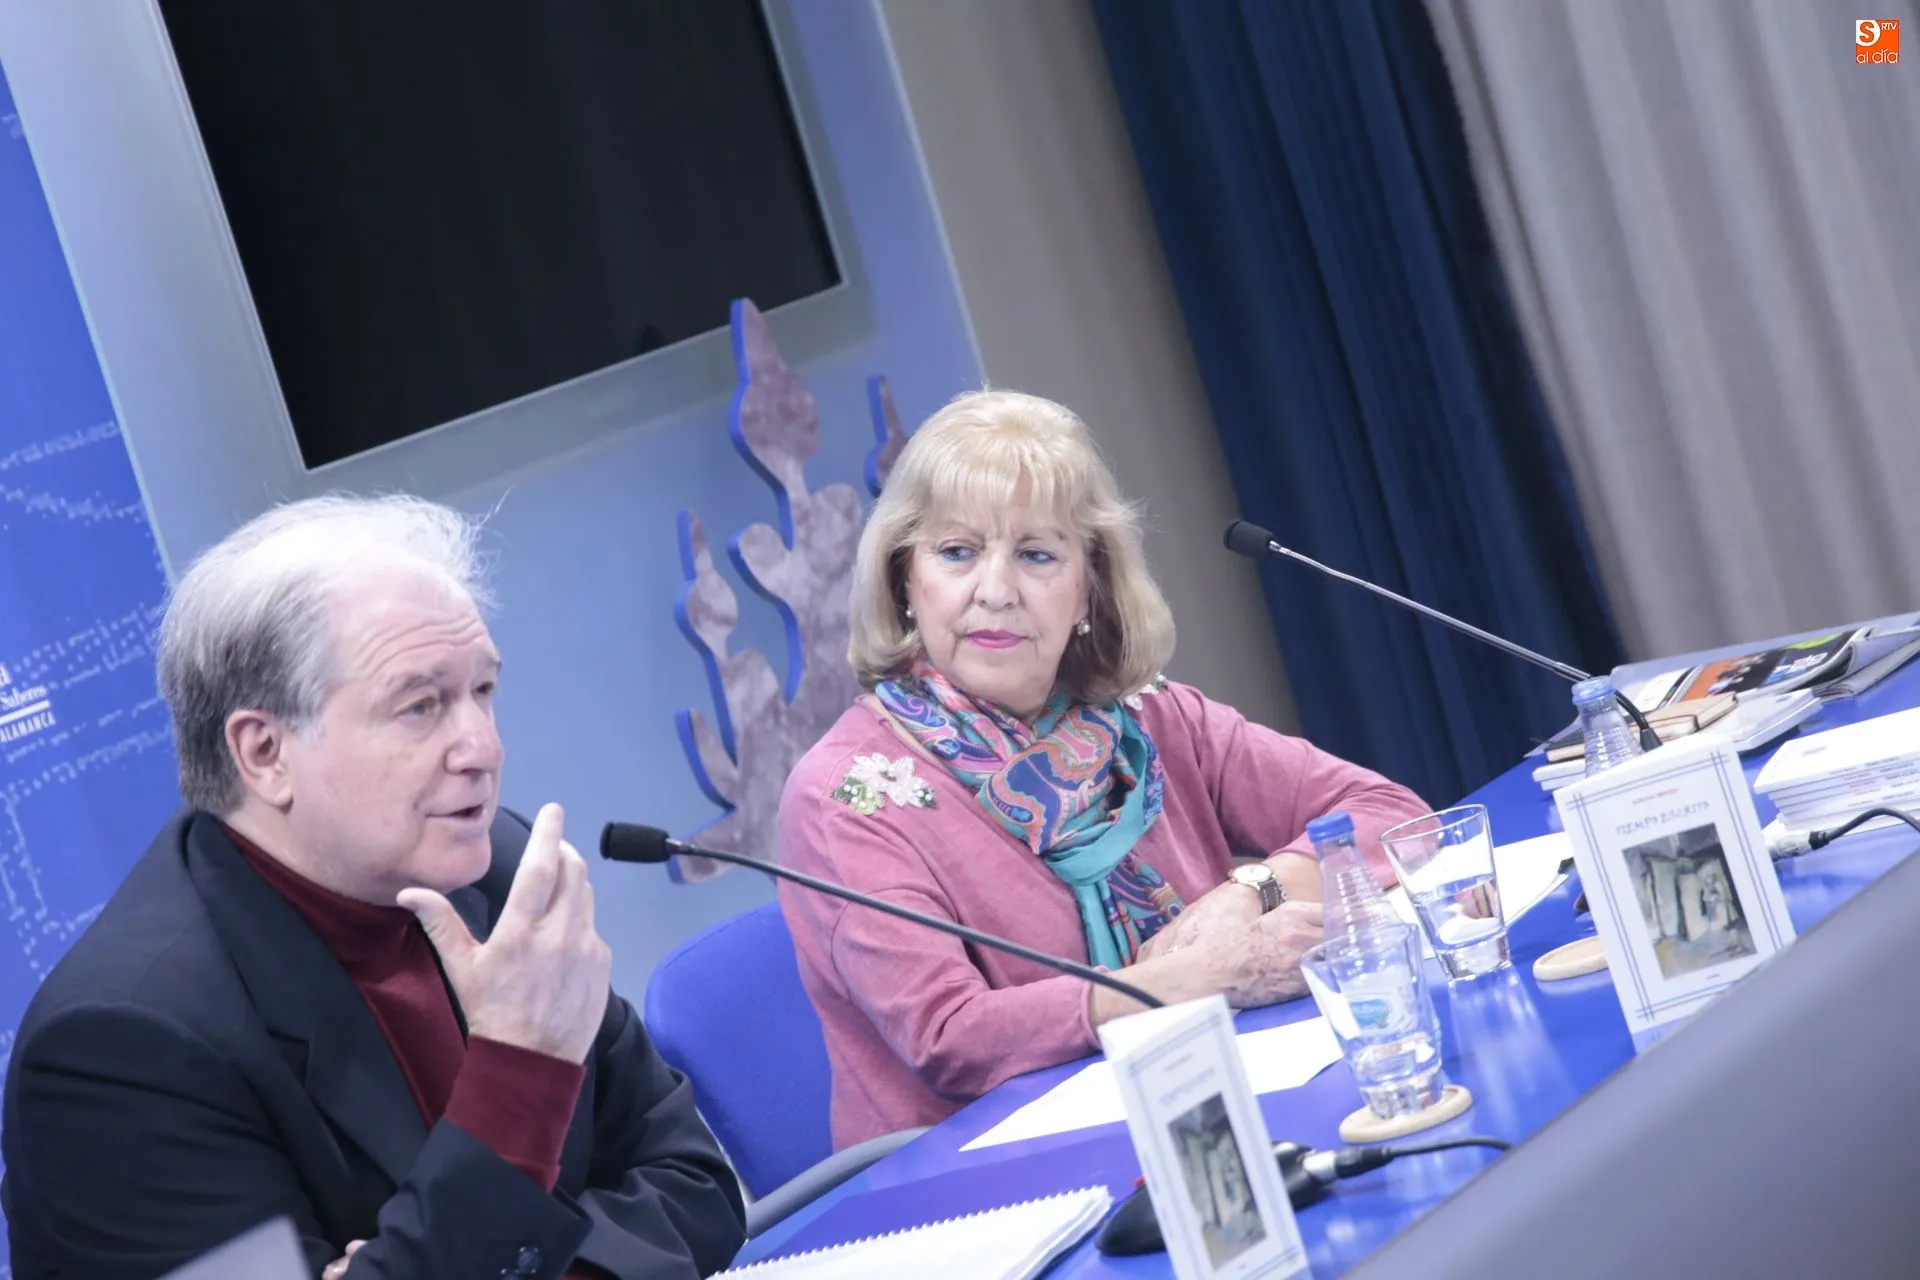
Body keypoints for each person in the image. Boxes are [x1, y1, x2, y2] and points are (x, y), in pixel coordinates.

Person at [1, 496, 745, 1280]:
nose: (484, 748)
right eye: (420, 706)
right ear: (265, 754)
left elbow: (696, 1185)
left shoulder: (498, 866)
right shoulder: (120, 1051)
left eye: (483, 691)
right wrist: (519, 1075)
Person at [777, 391, 1430, 1149]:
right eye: (956, 552)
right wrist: (1196, 979)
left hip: (1214, 1103)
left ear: (1088, 585)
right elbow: (951, 1037)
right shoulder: (849, 798)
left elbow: (1392, 813)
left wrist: (1253, 891)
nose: (995, 591)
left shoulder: (1148, 717)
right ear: (904, 581)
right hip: (994, 1174)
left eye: (1036, 555)